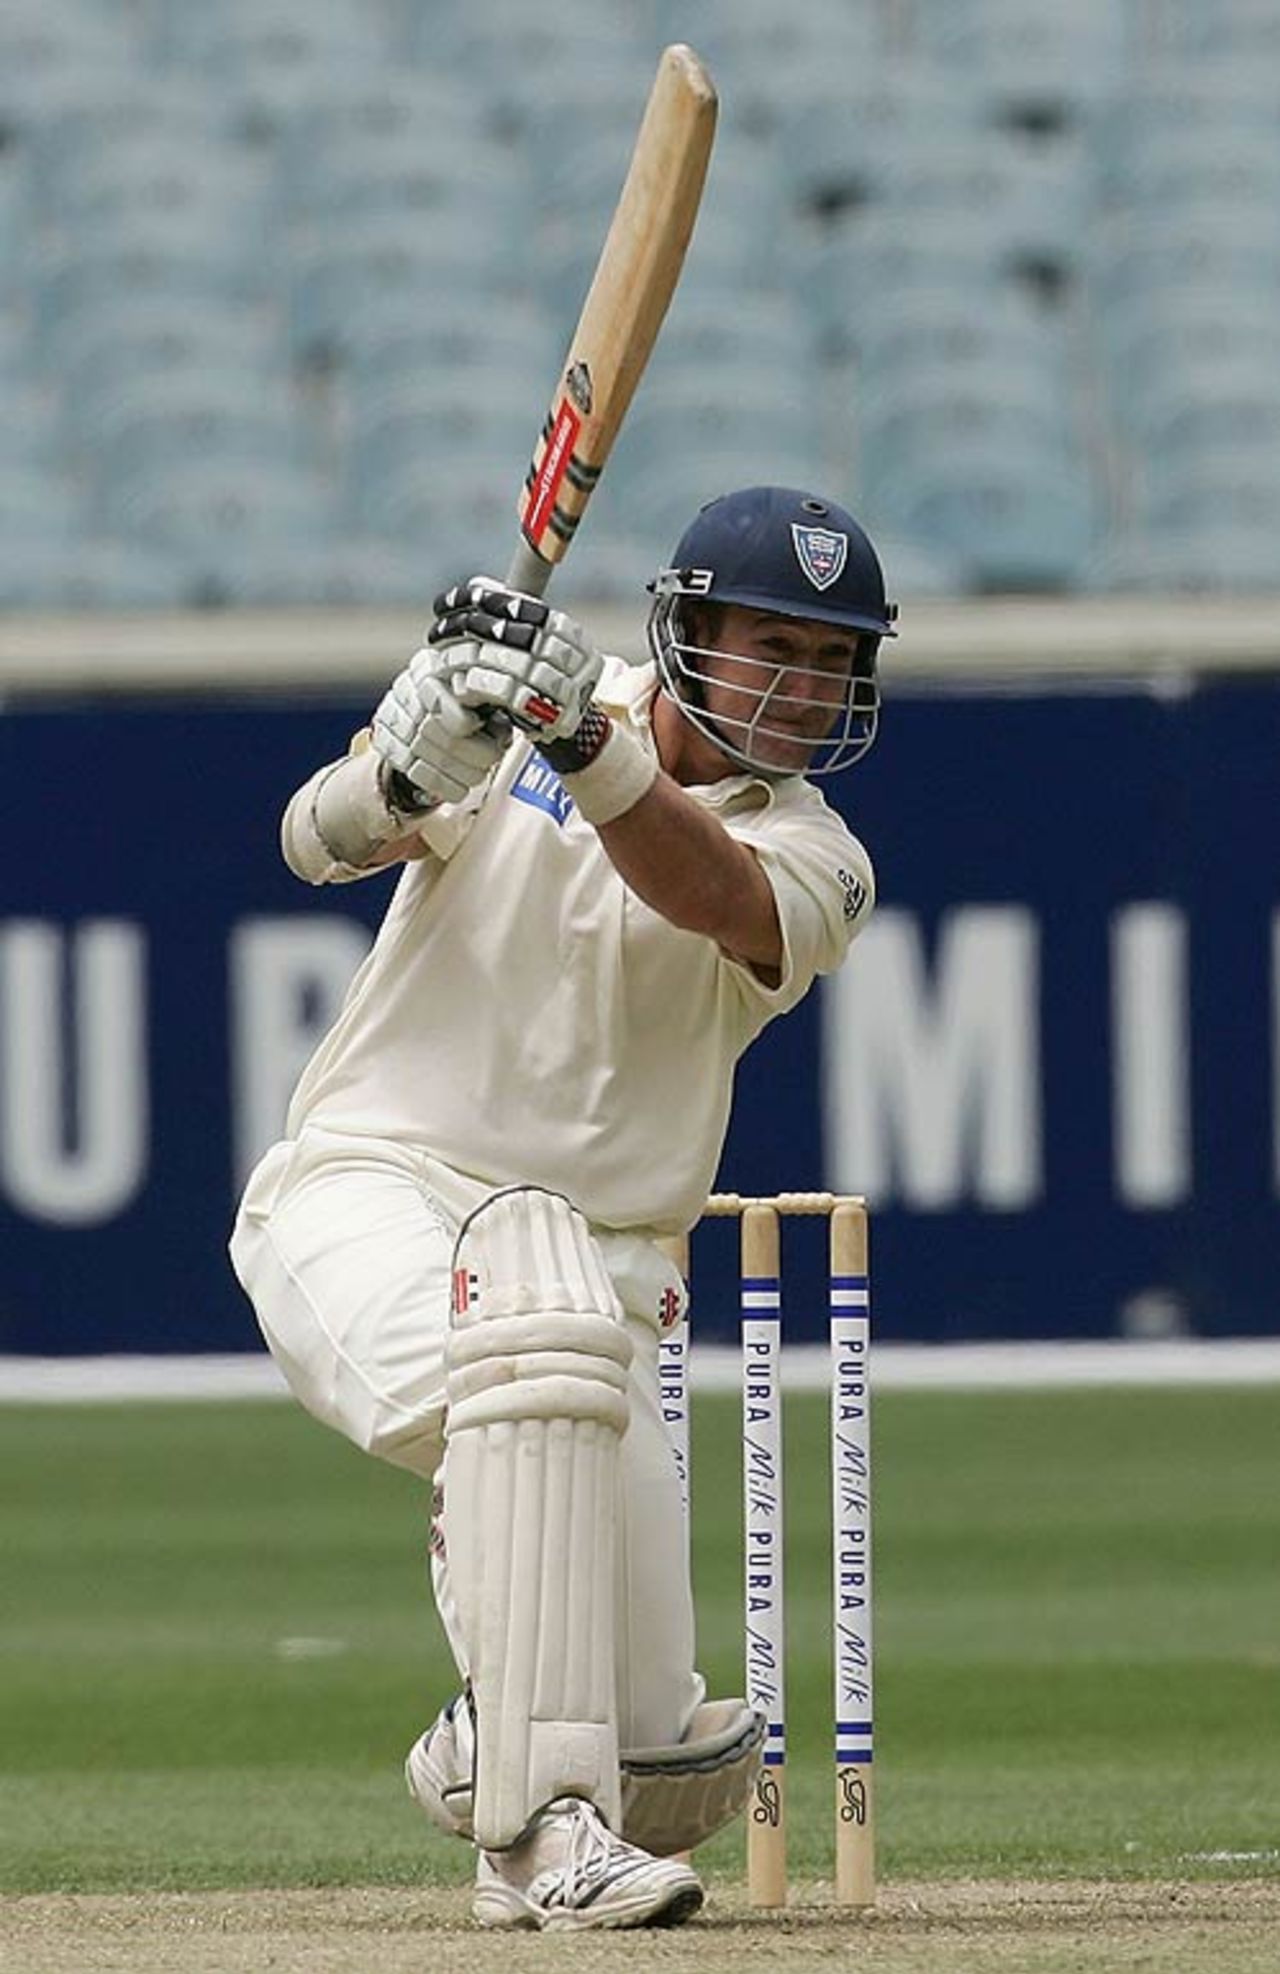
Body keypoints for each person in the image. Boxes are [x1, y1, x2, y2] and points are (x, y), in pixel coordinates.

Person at [230, 484, 896, 1930]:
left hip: (601, 1290)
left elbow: (705, 888)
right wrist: (409, 766)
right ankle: (536, 1837)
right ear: (691, 632)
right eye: (777, 646)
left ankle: (507, 1737)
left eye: (834, 658)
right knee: (522, 1364)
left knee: (658, 1751)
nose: (806, 686)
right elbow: (313, 837)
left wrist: (578, 741)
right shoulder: (542, 697)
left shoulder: (821, 857)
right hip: (374, 1189)